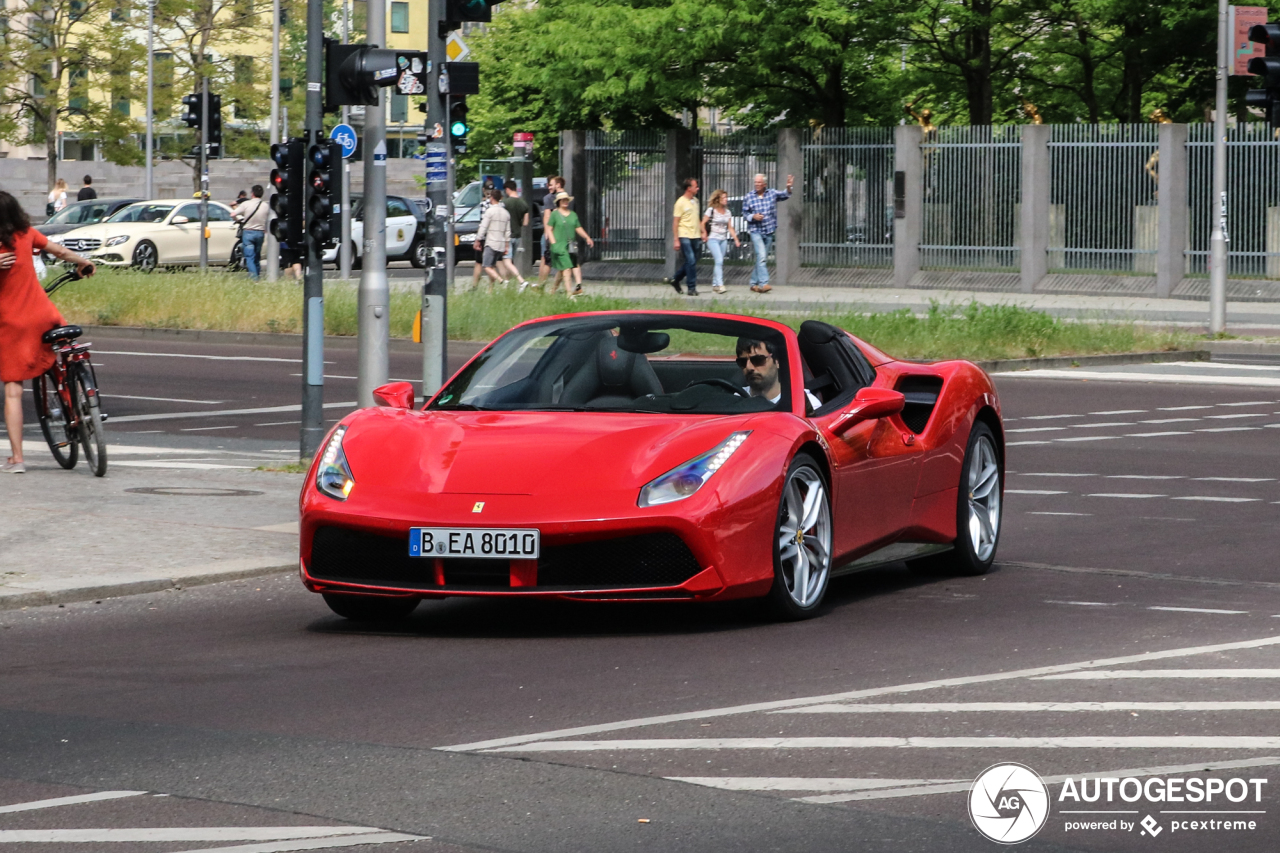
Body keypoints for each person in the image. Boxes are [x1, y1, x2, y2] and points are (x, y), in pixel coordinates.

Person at [0, 190, 96, 473]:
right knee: (62, 347)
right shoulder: (27, 233)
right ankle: (76, 393)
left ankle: (17, 459)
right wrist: (83, 263)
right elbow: (59, 251)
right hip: (44, 314)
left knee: (13, 391)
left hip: (12, 322)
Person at [741, 172, 794, 293]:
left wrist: (789, 187)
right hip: (755, 230)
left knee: (761, 257)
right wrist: (753, 216)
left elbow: (785, 195)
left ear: (764, 184)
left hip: (768, 230)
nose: (757, 184)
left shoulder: (772, 194)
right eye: (755, 182)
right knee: (762, 257)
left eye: (759, 182)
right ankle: (764, 283)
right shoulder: (749, 196)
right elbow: (744, 213)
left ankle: (753, 283)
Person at [735, 337, 821, 410]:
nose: (749, 367)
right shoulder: (736, 400)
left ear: (777, 361)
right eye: (742, 362)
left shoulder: (803, 403)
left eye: (758, 360)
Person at [546, 191, 594, 297]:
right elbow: (549, 229)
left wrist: (587, 237)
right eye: (563, 200)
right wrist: (553, 243)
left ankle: (552, 290)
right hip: (559, 246)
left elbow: (578, 228)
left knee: (562, 270)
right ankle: (569, 294)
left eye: (566, 200)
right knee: (567, 269)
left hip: (570, 246)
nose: (565, 202)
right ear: (558, 202)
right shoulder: (555, 214)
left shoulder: (573, 215)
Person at [701, 188, 741, 294]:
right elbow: (703, 223)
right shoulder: (711, 210)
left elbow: (730, 227)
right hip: (712, 238)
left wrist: (736, 239)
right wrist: (704, 233)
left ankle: (715, 284)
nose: (726, 199)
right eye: (723, 197)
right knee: (719, 260)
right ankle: (720, 284)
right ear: (718, 199)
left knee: (719, 262)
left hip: (723, 239)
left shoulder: (727, 212)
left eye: (726, 197)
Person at [473, 189, 513, 291]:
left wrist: (478, 239)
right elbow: (508, 231)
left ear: (491, 198)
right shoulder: (506, 213)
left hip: (491, 242)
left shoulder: (489, 211)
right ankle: (492, 289)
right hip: (501, 244)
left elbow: (483, 227)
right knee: (494, 265)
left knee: (486, 266)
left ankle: (501, 281)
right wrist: (507, 245)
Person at [668, 177, 700, 296]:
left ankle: (675, 279)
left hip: (695, 235)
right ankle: (691, 288)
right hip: (684, 234)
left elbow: (697, 218)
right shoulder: (680, 202)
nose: (697, 188)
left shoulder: (695, 201)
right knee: (690, 260)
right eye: (695, 186)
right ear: (689, 188)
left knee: (692, 261)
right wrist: (676, 239)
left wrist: (702, 231)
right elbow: (676, 222)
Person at [500, 183, 532, 290]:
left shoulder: (505, 203)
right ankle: (507, 283)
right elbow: (526, 222)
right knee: (510, 261)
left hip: (507, 236)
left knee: (506, 261)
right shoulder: (523, 203)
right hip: (518, 235)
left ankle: (521, 281)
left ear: (508, 189)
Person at [233, 185, 269, 279]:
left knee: (249, 257)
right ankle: (258, 275)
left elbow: (232, 213)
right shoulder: (265, 205)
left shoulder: (246, 204)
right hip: (260, 233)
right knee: (257, 257)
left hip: (248, 232)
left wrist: (237, 220)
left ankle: (254, 279)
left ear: (252, 193)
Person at [536, 176, 565, 288]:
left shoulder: (549, 198)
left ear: (557, 184)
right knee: (557, 262)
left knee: (547, 260)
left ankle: (541, 285)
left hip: (553, 233)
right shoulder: (565, 197)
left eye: (551, 184)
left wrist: (547, 232)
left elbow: (547, 216)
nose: (549, 187)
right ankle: (545, 287)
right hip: (559, 233)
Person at [470, 180, 498, 290]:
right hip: (495, 237)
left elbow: (483, 222)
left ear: (483, 190)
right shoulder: (499, 205)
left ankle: (474, 286)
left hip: (485, 237)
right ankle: (491, 289)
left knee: (478, 263)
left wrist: (478, 238)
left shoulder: (483, 205)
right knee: (491, 264)